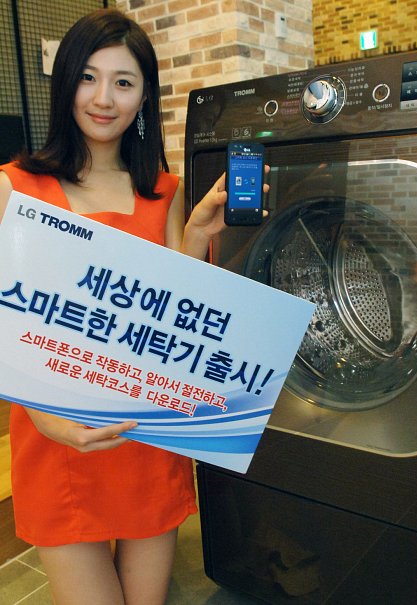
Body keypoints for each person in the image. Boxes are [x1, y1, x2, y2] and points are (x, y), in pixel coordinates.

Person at [0, 8, 268, 605]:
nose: (103, 98)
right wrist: (41, 416)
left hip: (146, 438)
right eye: (87, 77)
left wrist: (195, 237)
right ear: (65, 83)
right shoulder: (13, 186)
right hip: (57, 442)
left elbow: (177, 315)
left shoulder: (165, 193)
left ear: (144, 96)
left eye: (123, 82)